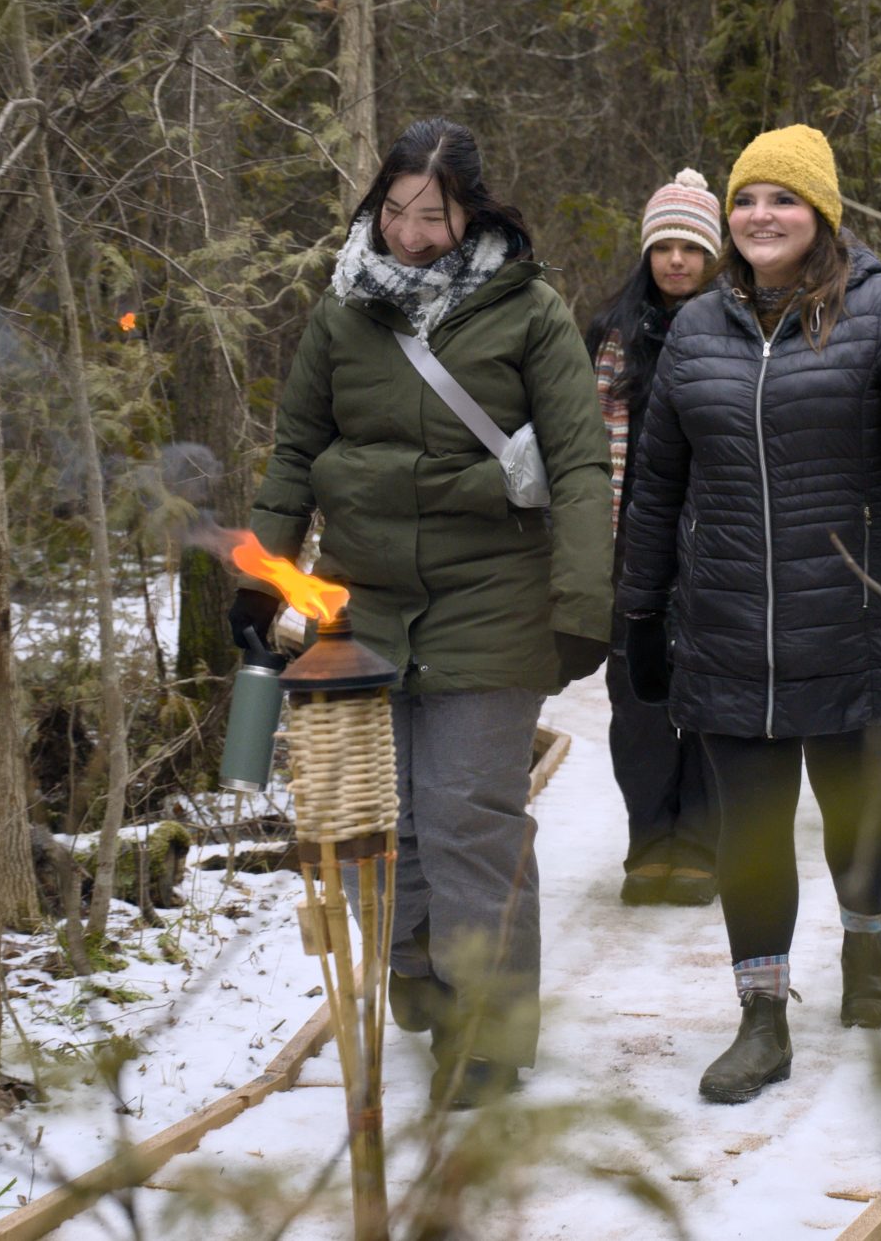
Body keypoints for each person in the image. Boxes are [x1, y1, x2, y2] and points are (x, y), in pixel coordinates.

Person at [231, 119, 611, 1108]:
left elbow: (576, 462)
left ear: (470, 212)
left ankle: (489, 1027)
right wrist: (264, 572)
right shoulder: (339, 314)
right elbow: (294, 450)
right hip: (363, 602)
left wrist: (582, 598)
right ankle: (419, 967)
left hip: (494, 595)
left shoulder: (529, 312)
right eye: (393, 209)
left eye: (430, 213)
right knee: (378, 818)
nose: (407, 231)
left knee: (467, 817)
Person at [618, 124, 881, 1104]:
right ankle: (762, 1015)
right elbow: (655, 487)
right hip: (730, 625)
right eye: (746, 199)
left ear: (821, 211)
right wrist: (642, 611)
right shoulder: (696, 329)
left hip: (854, 623)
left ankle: (865, 935)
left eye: (783, 198)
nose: (761, 215)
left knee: (853, 808)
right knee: (753, 828)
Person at [585, 169, 725, 908]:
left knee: (705, 697)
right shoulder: (610, 336)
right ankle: (650, 842)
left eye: (692, 248)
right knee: (636, 700)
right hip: (630, 545)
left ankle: (700, 844)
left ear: (713, 256)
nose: (677, 261)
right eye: (665, 246)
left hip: (716, 546)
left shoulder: (741, 327)